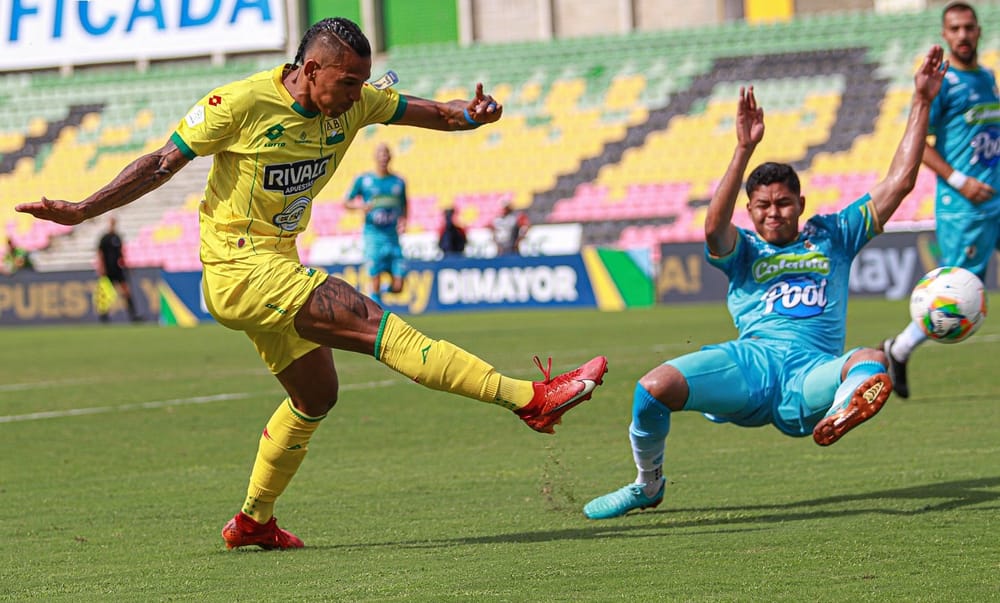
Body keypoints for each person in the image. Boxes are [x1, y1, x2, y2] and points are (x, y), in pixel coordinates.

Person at [15, 17, 608, 550]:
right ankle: (528, 400)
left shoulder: (355, 104)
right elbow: (161, 163)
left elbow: (437, 113)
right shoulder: (240, 102)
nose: (357, 96)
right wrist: (85, 209)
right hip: (238, 266)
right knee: (373, 323)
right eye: (348, 83)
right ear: (311, 69)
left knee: (316, 396)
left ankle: (253, 521)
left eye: (363, 84)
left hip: (276, 262)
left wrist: (471, 115)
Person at [582, 46, 946, 520]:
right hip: (751, 364)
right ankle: (647, 485)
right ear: (750, 210)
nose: (775, 212)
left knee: (873, 361)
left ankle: (839, 409)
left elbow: (898, 183)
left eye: (784, 203)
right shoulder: (745, 250)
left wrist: (920, 100)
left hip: (807, 375)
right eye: (764, 206)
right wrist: (742, 150)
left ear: (801, 202)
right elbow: (713, 229)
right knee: (653, 388)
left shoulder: (834, 234)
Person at [883, 2, 998, 399]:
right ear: (945, 35)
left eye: (969, 27)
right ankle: (898, 349)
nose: (963, 35)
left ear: (979, 31)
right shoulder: (944, 83)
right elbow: (920, 144)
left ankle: (898, 349)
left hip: (996, 199)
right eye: (955, 29)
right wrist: (960, 179)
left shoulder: (986, 78)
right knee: (958, 294)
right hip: (964, 207)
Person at [345, 143, 407, 305]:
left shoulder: (398, 182)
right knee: (375, 281)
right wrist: (360, 206)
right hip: (373, 237)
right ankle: (376, 310)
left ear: (390, 157)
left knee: (399, 286)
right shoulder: (364, 180)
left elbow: (404, 204)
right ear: (375, 158)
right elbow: (346, 202)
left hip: (392, 237)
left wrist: (404, 220)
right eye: (380, 154)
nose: (383, 158)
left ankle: (382, 293)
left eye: (386, 154)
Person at [96, 216, 141, 322]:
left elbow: (121, 254)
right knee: (107, 293)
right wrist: (101, 267)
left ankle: (133, 315)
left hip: (118, 269)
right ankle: (104, 316)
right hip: (108, 269)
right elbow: (100, 254)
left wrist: (126, 265)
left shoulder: (117, 237)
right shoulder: (105, 238)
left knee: (126, 291)